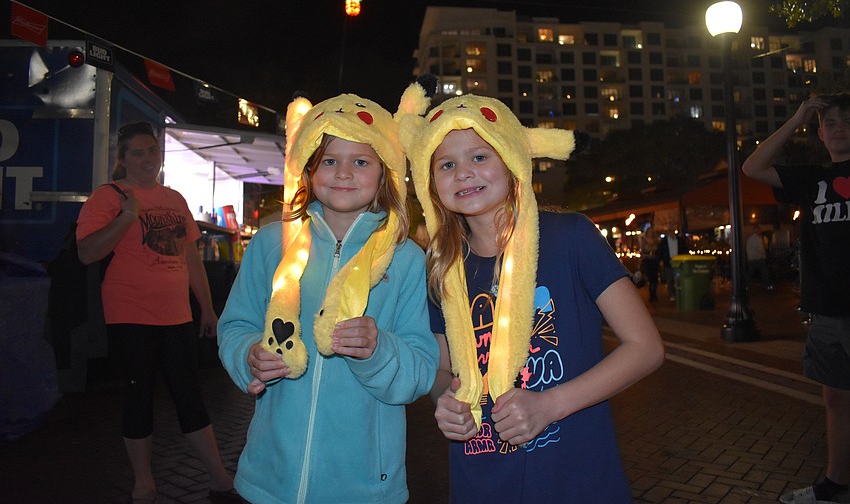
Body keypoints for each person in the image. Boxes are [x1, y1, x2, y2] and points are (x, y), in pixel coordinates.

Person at [399, 94, 665, 502]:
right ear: (429, 182)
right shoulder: (440, 267)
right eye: (446, 165)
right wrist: (444, 401)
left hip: (574, 477)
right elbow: (443, 369)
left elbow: (645, 348)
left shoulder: (571, 236)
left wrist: (550, 405)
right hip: (479, 479)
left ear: (511, 160)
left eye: (479, 156)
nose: (463, 173)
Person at [216, 85, 439, 504]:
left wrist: (378, 350)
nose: (343, 173)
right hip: (269, 477)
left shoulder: (406, 259)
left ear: (385, 172)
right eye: (330, 160)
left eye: (361, 161)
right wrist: (248, 354)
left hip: (364, 486)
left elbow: (422, 369)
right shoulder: (270, 244)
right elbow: (236, 325)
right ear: (308, 168)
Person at [75, 122, 238, 504]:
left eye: (152, 150)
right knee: (138, 397)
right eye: (138, 152)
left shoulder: (174, 198)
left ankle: (219, 479)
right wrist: (126, 216)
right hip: (130, 315)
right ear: (123, 158)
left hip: (177, 316)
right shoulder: (108, 196)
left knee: (189, 396)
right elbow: (87, 252)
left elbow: (191, 259)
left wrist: (207, 308)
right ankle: (144, 483)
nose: (148, 158)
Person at [742, 93, 850, 504]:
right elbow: (752, 167)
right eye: (831, 123)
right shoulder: (813, 178)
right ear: (820, 133)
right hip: (826, 309)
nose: (839, 129)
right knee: (835, 399)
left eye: (847, 121)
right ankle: (835, 482)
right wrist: (797, 117)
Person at [658, 227, 689, 301]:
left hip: (678, 262)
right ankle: (672, 294)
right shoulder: (664, 242)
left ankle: (679, 293)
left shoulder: (680, 240)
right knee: (670, 279)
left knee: (679, 279)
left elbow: (684, 249)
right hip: (668, 262)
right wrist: (661, 260)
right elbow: (660, 251)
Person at [745, 224, 773, 291]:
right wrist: (764, 256)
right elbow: (761, 249)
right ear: (757, 230)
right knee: (764, 272)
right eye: (759, 230)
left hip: (751, 258)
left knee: (750, 274)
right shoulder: (759, 239)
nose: (760, 231)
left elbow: (747, 248)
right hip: (759, 258)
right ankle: (767, 285)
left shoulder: (749, 239)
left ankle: (746, 286)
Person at [640, 225, 662, 301]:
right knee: (650, 277)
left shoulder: (657, 241)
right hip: (647, 261)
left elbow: (659, 251)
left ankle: (654, 293)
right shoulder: (644, 241)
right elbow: (642, 251)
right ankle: (651, 293)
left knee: (655, 278)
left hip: (654, 261)